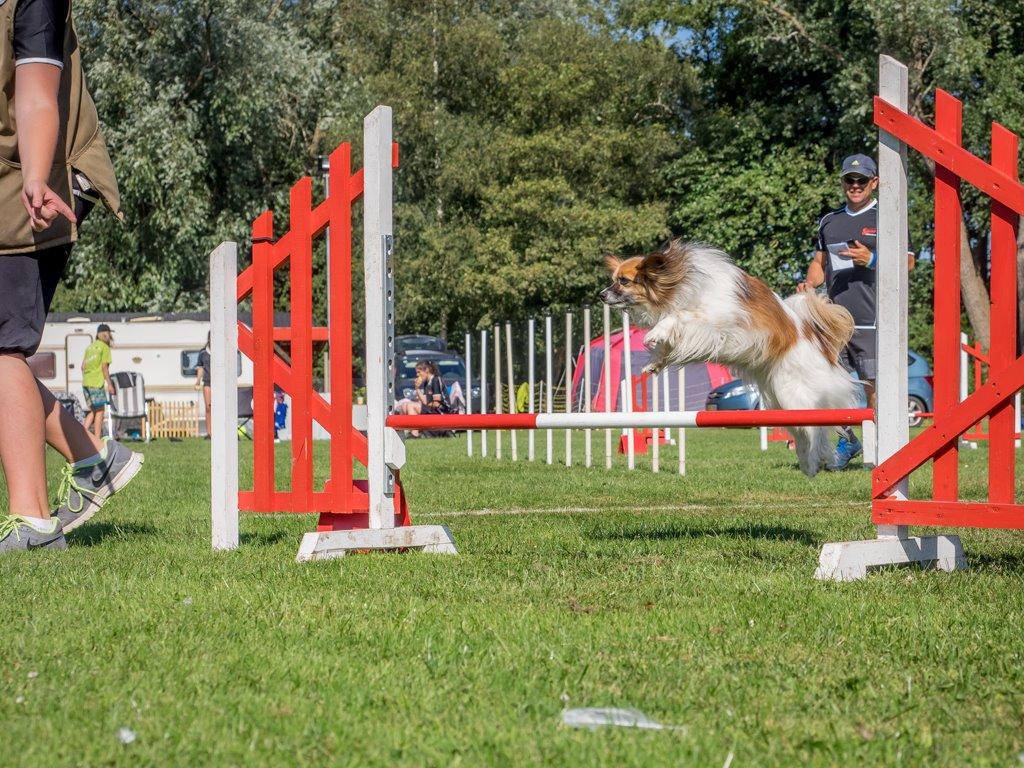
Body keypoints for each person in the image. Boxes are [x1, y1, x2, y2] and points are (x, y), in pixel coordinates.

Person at [0, 0, 143, 552]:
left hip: (46, 177)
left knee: (4, 341)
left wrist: (36, 176)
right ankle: (94, 459)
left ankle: (33, 523)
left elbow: (36, 96)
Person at [797, 153, 915, 469]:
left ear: (874, 183)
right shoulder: (829, 221)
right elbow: (820, 265)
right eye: (850, 180)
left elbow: (909, 263)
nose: (855, 185)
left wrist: (873, 260)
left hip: (875, 321)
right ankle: (848, 440)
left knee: (875, 389)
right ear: (842, 183)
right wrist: (808, 285)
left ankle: (879, 457)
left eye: (862, 180)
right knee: (822, 385)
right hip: (834, 322)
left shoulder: (888, 217)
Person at [393, 361, 451, 437]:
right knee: (405, 405)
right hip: (433, 409)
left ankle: (415, 433)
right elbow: (425, 400)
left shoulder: (436, 380)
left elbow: (437, 403)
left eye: (419, 372)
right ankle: (405, 432)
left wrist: (423, 403)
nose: (417, 375)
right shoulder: (427, 382)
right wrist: (417, 388)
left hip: (441, 411)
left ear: (426, 370)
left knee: (411, 406)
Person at [82, 323, 116, 440]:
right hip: (96, 384)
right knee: (100, 410)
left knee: (93, 411)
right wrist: (110, 385)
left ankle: (81, 436)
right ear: (106, 334)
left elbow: (83, 366)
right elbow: (104, 367)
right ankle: (97, 439)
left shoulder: (90, 347)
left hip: (86, 383)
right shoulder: (104, 347)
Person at [196, 333, 212, 439]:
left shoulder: (221, 351)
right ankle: (209, 433)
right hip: (207, 382)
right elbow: (200, 368)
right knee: (208, 408)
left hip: (219, 383)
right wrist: (197, 381)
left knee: (219, 408)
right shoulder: (203, 352)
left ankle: (219, 431)